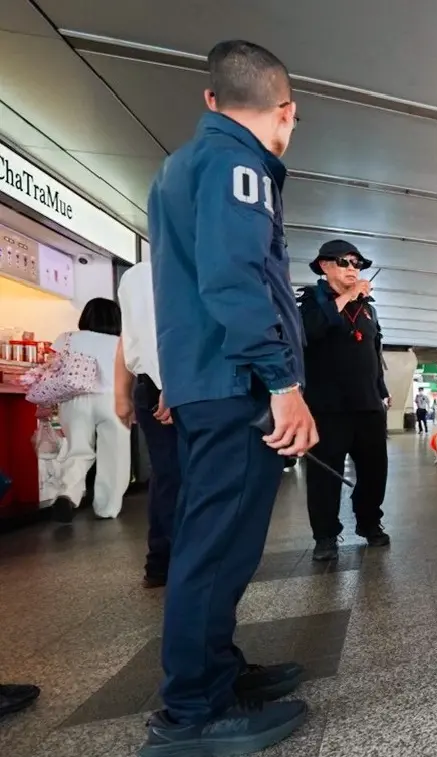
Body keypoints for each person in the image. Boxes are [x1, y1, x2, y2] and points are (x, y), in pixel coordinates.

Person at [144, 39, 313, 754]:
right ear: (286, 111)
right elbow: (237, 281)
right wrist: (282, 383)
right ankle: (190, 712)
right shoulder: (242, 166)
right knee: (215, 549)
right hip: (235, 382)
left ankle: (215, 671)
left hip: (206, 382)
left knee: (213, 540)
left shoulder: (181, 166)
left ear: (210, 100)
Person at [297, 240, 391, 563]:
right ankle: (325, 535)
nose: (353, 269)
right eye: (345, 262)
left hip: (367, 404)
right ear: (324, 266)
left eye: (357, 264)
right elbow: (308, 332)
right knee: (325, 475)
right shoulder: (311, 301)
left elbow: (374, 352)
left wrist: (382, 390)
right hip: (328, 406)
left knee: (374, 468)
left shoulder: (368, 308)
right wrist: (349, 295)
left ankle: (369, 522)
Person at [115, 260, 180, 589]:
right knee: (178, 475)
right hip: (173, 383)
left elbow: (128, 337)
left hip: (156, 383)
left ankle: (162, 561)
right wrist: (169, 384)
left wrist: (121, 395)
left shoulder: (133, 275)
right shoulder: (182, 266)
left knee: (168, 475)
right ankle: (168, 560)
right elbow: (164, 331)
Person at [47, 297, 130, 523]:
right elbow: (131, 373)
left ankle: (67, 494)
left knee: (78, 450)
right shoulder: (122, 342)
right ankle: (107, 508)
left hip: (75, 399)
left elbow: (53, 370)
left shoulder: (66, 338)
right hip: (112, 400)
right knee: (115, 454)